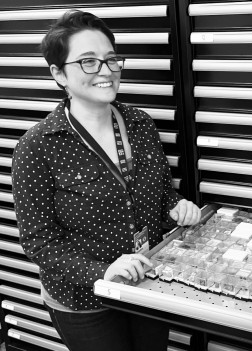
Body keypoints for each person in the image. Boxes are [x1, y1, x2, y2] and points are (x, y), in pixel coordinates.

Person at [12, 10, 201, 351]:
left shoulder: (141, 124)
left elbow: (160, 195)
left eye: (111, 59)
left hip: (147, 282)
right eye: (88, 62)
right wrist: (102, 271)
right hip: (83, 300)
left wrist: (178, 209)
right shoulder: (38, 146)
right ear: (58, 74)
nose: (106, 71)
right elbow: (38, 242)